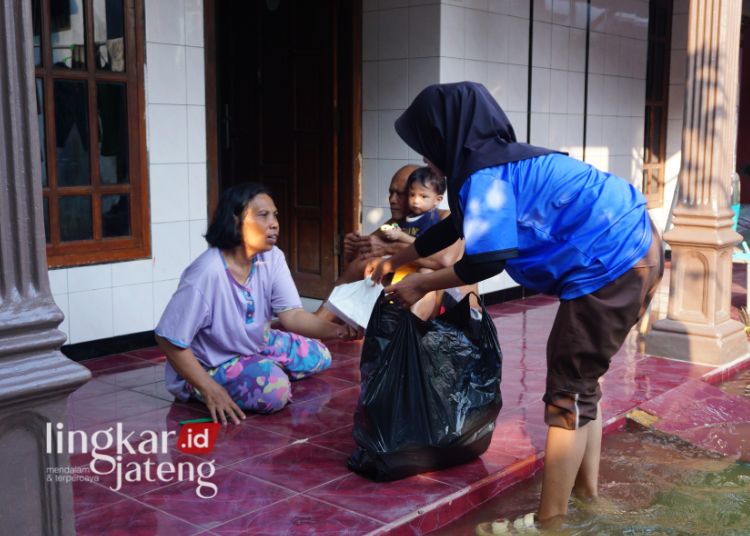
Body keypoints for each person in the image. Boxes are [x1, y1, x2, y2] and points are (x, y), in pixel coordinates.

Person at [370, 82, 664, 529]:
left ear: (445, 136)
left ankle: (552, 521)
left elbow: (487, 260)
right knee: (581, 383)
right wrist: (398, 259)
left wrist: (421, 283)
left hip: (612, 262)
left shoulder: (485, 175)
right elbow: (450, 232)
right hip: (635, 249)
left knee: (567, 394)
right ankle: (585, 497)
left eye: (426, 146)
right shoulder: (496, 164)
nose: (426, 159)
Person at [155, 183, 359, 425]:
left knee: (320, 355)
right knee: (276, 392)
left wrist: (338, 331)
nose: (274, 223)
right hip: (213, 361)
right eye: (263, 215)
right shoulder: (206, 273)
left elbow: (292, 315)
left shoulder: (272, 257)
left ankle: (257, 365)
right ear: (235, 220)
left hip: (255, 343)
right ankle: (200, 385)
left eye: (275, 215)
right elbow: (168, 338)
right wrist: (209, 388)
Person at [381, 167, 446, 244]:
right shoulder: (411, 215)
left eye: (423, 196)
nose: (415, 201)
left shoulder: (430, 219)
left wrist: (400, 236)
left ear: (437, 200)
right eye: (412, 195)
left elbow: (424, 245)